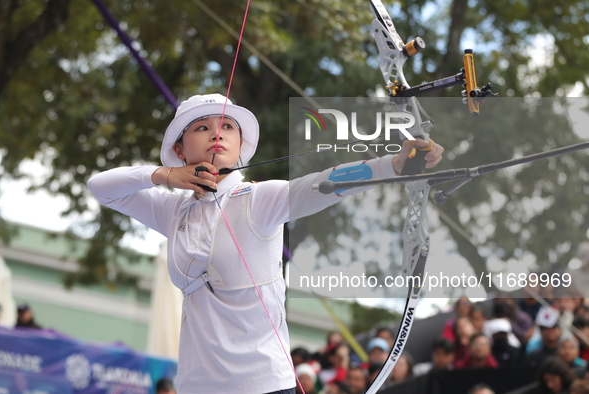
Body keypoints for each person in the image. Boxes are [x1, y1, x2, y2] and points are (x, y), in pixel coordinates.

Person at [86, 93, 446, 394]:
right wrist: (164, 176)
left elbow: (326, 183)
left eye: (228, 126)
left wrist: (393, 166)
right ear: (180, 149)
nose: (217, 133)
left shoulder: (259, 198)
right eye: (202, 127)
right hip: (197, 386)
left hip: (263, 385)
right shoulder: (173, 209)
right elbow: (100, 186)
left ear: (240, 144)